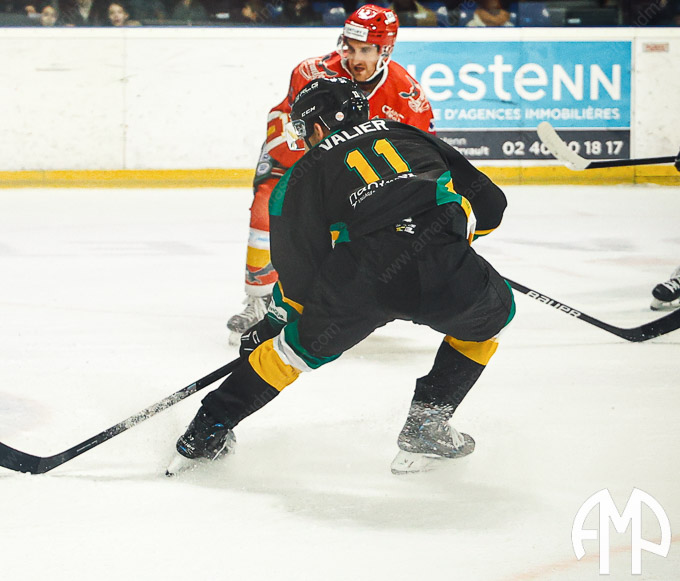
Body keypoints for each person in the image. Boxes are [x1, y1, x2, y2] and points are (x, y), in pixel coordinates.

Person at [170, 78, 511, 476]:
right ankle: (427, 424)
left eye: (303, 129)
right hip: (444, 263)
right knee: (491, 319)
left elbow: (299, 282)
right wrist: (450, 238)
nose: (303, 140)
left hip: (362, 278)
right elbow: (491, 204)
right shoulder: (407, 133)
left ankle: (204, 433)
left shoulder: (298, 178)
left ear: (318, 126)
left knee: (291, 353)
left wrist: (274, 326)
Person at [227, 5, 436, 343]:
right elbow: (286, 127)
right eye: (350, 48)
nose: (355, 58)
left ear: (385, 51)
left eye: (365, 50)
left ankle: (347, 299)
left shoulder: (407, 97)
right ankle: (259, 300)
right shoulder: (311, 72)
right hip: (297, 157)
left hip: (355, 174)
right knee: (265, 210)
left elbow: (423, 159)